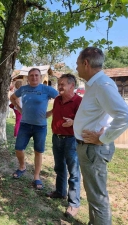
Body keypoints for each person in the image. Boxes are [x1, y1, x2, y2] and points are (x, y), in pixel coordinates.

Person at [74, 47, 128, 225]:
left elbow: (125, 115)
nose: (76, 68)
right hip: (88, 149)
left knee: (97, 197)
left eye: (77, 64)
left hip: (94, 149)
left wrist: (103, 138)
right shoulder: (95, 84)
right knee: (93, 193)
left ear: (86, 63)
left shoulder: (102, 85)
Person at [10, 68, 58, 189]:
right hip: (25, 125)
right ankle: (22, 167)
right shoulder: (24, 89)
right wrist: (19, 109)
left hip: (40, 126)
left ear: (40, 77)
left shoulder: (46, 89)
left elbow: (60, 100)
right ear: (28, 77)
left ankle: (36, 177)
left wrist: (51, 112)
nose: (34, 77)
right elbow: (12, 98)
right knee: (19, 148)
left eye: (36, 75)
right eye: (31, 75)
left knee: (38, 151)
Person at [46, 74, 82, 218]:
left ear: (72, 86)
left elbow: (86, 120)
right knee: (59, 167)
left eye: (63, 84)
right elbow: (55, 112)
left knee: (73, 172)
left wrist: (74, 122)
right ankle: (60, 192)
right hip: (57, 138)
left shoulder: (79, 101)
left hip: (71, 140)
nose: (59, 87)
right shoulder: (57, 100)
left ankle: (73, 204)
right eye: (59, 84)